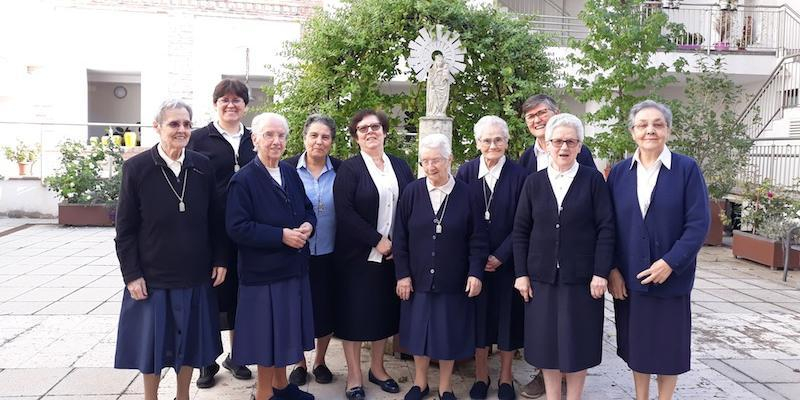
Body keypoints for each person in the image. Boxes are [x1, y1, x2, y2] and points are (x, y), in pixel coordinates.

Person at [114, 99, 227, 400]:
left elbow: (216, 220)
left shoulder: (202, 166)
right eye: (174, 123)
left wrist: (220, 258)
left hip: (195, 273)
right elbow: (124, 229)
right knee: (151, 347)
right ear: (157, 127)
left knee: (190, 344)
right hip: (153, 276)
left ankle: (183, 396)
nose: (182, 129)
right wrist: (132, 274)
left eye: (187, 124)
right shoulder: (137, 168)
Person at [607, 100, 709, 400]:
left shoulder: (686, 169)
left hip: (671, 279)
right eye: (642, 125)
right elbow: (609, 225)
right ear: (632, 131)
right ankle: (641, 397)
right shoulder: (620, 173)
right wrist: (612, 269)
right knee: (637, 346)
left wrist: (670, 262)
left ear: (668, 130)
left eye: (657, 124)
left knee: (668, 347)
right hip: (631, 278)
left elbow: (698, 224)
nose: (650, 130)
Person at [512, 113, 615, 400]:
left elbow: (606, 228)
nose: (563, 147)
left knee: (577, 342)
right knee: (546, 344)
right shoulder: (533, 182)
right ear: (546, 145)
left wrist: (600, 273)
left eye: (570, 141)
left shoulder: (593, 180)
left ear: (580, 146)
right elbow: (520, 230)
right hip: (541, 277)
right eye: (557, 141)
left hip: (582, 279)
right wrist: (521, 274)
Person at [226, 112, 317, 400]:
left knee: (285, 335)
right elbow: (237, 228)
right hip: (262, 274)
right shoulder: (244, 180)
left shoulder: (289, 172)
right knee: (267, 339)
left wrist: (308, 225)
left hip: (292, 269)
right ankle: (264, 394)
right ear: (255, 139)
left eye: (281, 136)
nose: (276, 141)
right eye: (269, 135)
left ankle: (281, 387)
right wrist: (281, 236)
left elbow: (306, 207)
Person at [394, 133, 488, 400]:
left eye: (436, 160)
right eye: (425, 161)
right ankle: (420, 383)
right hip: (418, 277)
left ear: (450, 159)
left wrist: (475, 272)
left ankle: (446, 386)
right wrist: (402, 275)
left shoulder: (468, 195)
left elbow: (478, 239)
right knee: (418, 334)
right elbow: (400, 237)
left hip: (454, 279)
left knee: (448, 335)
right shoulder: (412, 192)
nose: (430, 166)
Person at [333, 109, 415, 400]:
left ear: (384, 131)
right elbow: (343, 212)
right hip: (356, 257)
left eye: (375, 127)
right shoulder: (350, 168)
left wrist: (399, 245)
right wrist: (377, 240)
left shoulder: (401, 166)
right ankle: (354, 374)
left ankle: (377, 369)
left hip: (394, 257)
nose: (370, 132)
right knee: (354, 316)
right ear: (356, 136)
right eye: (363, 128)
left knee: (383, 313)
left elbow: (411, 206)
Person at [187, 78, 256, 387]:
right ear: (215, 104)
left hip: (248, 227)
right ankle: (206, 360)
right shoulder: (200, 138)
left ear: (245, 105)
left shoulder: (255, 138)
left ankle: (237, 355)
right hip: (210, 226)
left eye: (237, 100)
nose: (231, 105)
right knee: (210, 292)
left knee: (242, 291)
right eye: (224, 100)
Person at [455, 116, 527, 400]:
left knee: (508, 319)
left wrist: (500, 255)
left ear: (507, 143)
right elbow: (459, 217)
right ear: (477, 143)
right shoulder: (466, 172)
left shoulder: (521, 176)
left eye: (498, 139)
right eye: (486, 140)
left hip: (509, 263)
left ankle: (506, 378)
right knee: (478, 319)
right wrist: (479, 257)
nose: (492, 145)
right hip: (476, 263)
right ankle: (482, 375)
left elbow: (523, 223)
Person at [285, 114, 341, 386]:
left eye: (325, 137)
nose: (319, 141)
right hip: (296, 252)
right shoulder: (286, 169)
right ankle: (298, 362)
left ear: (331, 141)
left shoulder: (342, 170)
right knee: (296, 307)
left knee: (325, 307)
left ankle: (319, 361)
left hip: (331, 251)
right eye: (314, 136)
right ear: (304, 137)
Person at [518, 94, 596, 174]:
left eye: (541, 113)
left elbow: (592, 183)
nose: (537, 120)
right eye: (530, 116)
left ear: (557, 114)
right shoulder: (526, 158)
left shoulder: (578, 152)